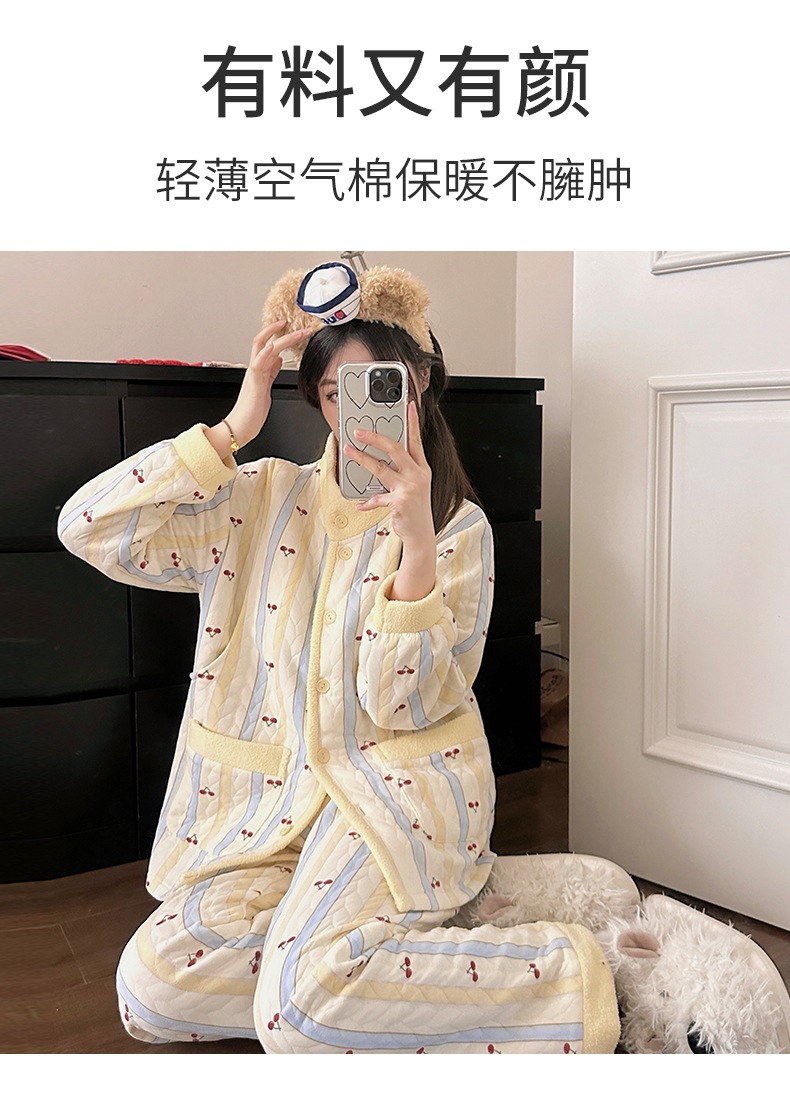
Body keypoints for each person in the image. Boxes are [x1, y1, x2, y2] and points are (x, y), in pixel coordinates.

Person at [56, 261, 624, 1053]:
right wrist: (231, 430)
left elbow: (404, 703)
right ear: (317, 402)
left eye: (376, 386)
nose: (354, 412)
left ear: (418, 384)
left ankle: (591, 978)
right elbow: (88, 527)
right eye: (333, 392)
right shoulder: (258, 498)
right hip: (274, 809)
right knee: (152, 988)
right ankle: (389, 945)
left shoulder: (459, 531)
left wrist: (414, 544)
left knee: (296, 1016)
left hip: (394, 797)